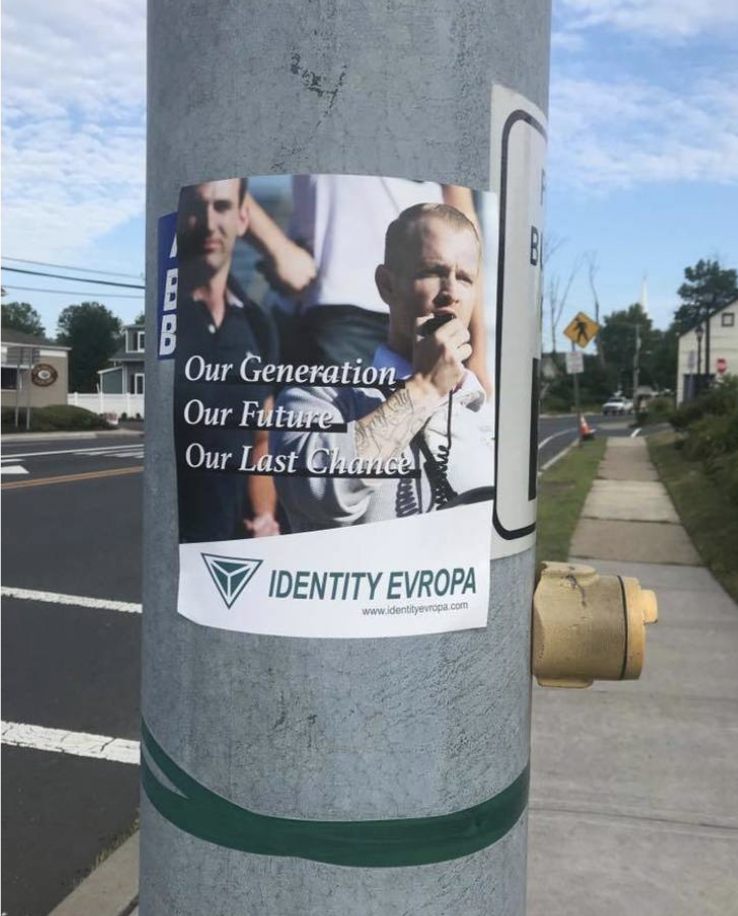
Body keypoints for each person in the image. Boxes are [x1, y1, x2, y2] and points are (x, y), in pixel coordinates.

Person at [270, 203, 495, 533]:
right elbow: (324, 496)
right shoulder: (317, 397)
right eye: (432, 272)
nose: (450, 293)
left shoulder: (485, 414)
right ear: (386, 285)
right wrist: (425, 390)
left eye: (464, 278)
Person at [245, 175, 491, 393]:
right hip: (339, 308)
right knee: (354, 437)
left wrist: (477, 353)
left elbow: (463, 215)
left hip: (428, 315)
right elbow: (217, 164)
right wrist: (277, 247)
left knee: (428, 435)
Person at [174, 178, 280, 542]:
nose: (208, 223)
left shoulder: (258, 324)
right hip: (174, 548)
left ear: (242, 219)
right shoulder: (163, 320)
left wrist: (264, 515)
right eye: (196, 207)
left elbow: (261, 441)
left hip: (233, 548)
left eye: (221, 207)